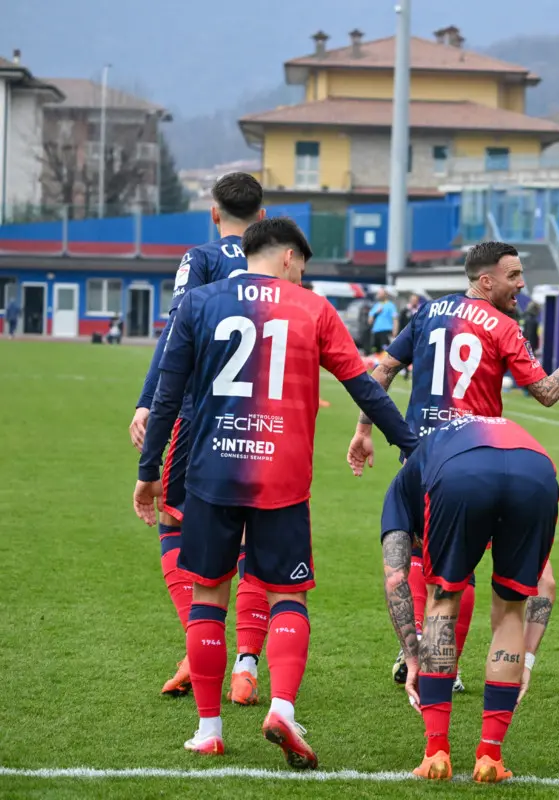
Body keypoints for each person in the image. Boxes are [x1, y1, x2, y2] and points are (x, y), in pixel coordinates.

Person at [132, 217, 420, 766]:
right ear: (289, 258)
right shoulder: (312, 309)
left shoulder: (200, 304)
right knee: (289, 596)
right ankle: (283, 710)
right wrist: (410, 446)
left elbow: (168, 397)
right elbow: (365, 386)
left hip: (211, 475)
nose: (303, 277)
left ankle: (210, 728)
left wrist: (149, 472)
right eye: (304, 267)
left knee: (209, 596)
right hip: (282, 477)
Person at [349, 240, 559, 691]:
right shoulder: (502, 326)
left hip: (422, 452)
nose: (521, 284)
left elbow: (381, 373)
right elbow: (546, 392)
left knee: (427, 557)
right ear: (487, 280)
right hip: (472, 454)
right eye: (514, 276)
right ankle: (451, 668)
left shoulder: (427, 312)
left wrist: (364, 429)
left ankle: (421, 647)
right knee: (470, 561)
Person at [127, 172, 272, 703]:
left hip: (200, 417)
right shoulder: (274, 264)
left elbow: (176, 336)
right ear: (261, 217)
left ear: (215, 213)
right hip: (263, 420)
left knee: (173, 518)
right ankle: (247, 665)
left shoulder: (202, 258)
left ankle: (198, 644)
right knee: (253, 538)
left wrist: (147, 401)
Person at [381, 415, 558, 783]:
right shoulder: (442, 452)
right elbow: (546, 585)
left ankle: (436, 753)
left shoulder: (402, 487)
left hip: (460, 476)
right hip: (537, 471)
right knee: (511, 608)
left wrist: (412, 658)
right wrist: (525, 659)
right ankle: (490, 757)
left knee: (442, 599)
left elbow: (397, 576)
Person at [369, 289, 399, 354]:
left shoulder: (391, 305)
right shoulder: (376, 306)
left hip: (386, 331)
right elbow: (370, 321)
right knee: (375, 351)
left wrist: (395, 331)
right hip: (376, 331)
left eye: (380, 293)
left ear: (385, 295)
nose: (378, 295)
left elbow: (395, 319)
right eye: (378, 293)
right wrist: (376, 312)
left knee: (385, 352)